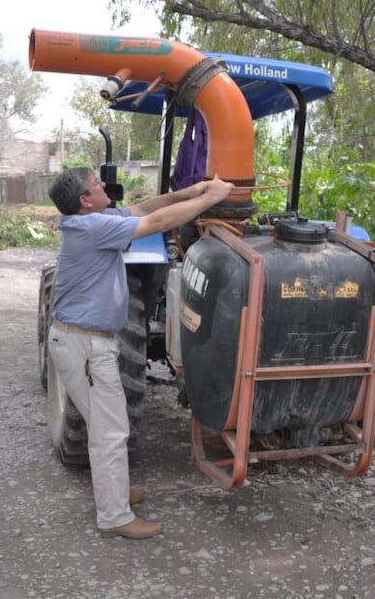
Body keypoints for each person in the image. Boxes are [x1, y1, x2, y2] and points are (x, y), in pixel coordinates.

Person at [46, 166, 233, 539]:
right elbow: (158, 221)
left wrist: (189, 191)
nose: (104, 187)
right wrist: (212, 197)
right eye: (97, 185)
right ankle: (115, 516)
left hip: (82, 342)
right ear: (85, 200)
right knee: (110, 430)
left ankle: (114, 490)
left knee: (108, 424)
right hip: (85, 345)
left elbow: (146, 207)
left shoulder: (95, 218)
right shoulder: (92, 228)